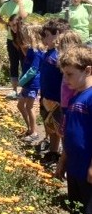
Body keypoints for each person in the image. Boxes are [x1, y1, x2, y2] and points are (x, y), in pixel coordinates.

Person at [55, 45, 92, 214]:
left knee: (89, 213)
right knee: (76, 208)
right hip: (74, 168)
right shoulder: (76, 97)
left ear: (87, 70)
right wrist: (63, 160)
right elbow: (70, 134)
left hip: (87, 170)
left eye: (70, 74)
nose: (66, 80)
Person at [0, 0, 34, 98]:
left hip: (24, 40)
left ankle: (24, 89)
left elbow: (23, 17)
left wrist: (20, 3)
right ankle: (14, 90)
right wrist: (6, 23)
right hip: (11, 38)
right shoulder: (6, 5)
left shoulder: (28, 2)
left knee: (25, 63)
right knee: (13, 64)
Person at [38, 19, 70, 166]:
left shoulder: (59, 56)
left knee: (61, 130)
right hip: (46, 98)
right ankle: (53, 152)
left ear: (57, 34)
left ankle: (65, 159)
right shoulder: (48, 53)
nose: (43, 39)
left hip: (57, 101)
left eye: (45, 35)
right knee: (50, 127)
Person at [16, 23, 45, 143]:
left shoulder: (37, 52)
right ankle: (30, 127)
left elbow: (33, 70)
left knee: (29, 107)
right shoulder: (30, 50)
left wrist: (21, 81)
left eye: (26, 35)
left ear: (32, 36)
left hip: (32, 83)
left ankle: (34, 132)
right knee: (20, 105)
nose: (24, 38)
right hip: (27, 83)